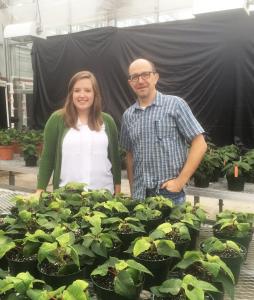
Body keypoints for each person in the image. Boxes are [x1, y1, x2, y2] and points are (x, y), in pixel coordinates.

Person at [120, 58, 207, 204]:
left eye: (145, 74)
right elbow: (130, 155)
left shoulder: (175, 105)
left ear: (156, 77)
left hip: (169, 195)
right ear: (130, 83)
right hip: (140, 196)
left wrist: (180, 182)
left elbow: (200, 143)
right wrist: (133, 190)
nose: (140, 80)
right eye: (135, 77)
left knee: (172, 228)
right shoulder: (128, 116)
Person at [36, 70, 121, 195]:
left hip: (103, 195)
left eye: (87, 90)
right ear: (71, 94)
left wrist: (117, 188)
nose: (82, 95)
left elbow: (115, 158)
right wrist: (40, 190)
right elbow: (47, 157)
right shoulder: (57, 119)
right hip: (67, 195)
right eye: (77, 90)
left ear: (95, 94)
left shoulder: (107, 121)